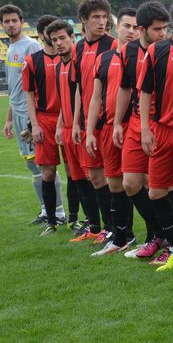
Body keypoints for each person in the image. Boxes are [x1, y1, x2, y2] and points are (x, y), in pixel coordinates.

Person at [137, 2, 173, 272]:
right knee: (157, 190)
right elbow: (145, 92)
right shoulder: (156, 50)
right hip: (161, 131)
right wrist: (146, 129)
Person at [117, 2, 170, 260]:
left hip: (162, 124)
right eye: (157, 29)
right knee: (130, 183)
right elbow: (125, 88)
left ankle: (169, 238)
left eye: (164, 28)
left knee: (161, 185)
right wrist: (118, 122)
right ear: (141, 30)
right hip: (137, 123)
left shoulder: (170, 51)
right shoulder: (126, 52)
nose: (162, 34)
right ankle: (159, 233)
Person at [85, 9, 140, 256]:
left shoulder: (143, 55)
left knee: (142, 184)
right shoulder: (104, 58)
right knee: (115, 185)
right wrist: (89, 132)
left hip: (134, 126)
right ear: (116, 27)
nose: (131, 31)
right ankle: (122, 236)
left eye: (136, 27)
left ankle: (157, 237)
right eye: (127, 26)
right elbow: (96, 97)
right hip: (108, 128)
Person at [48, 19, 103, 238]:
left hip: (81, 128)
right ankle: (92, 225)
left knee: (92, 177)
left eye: (62, 38)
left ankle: (102, 226)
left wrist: (79, 125)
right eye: (54, 40)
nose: (59, 43)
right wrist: (61, 124)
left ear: (73, 38)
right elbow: (64, 100)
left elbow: (83, 95)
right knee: (77, 178)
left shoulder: (79, 63)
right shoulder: (59, 66)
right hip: (69, 128)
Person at [72, 0, 118, 243]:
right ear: (84, 20)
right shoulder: (77, 48)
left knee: (115, 179)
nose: (101, 22)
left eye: (104, 17)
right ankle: (107, 228)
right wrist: (77, 122)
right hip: (88, 124)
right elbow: (79, 87)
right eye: (95, 17)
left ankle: (119, 230)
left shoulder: (113, 46)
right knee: (97, 178)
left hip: (107, 122)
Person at [0, 4, 49, 224]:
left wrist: (33, 118)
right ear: (1, 25)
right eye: (6, 21)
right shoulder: (10, 49)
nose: (11, 24)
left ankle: (55, 211)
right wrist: (9, 118)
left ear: (22, 21)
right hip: (17, 112)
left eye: (14, 20)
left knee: (42, 163)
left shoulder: (31, 46)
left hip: (30, 113)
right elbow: (14, 88)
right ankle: (45, 209)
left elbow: (38, 83)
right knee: (31, 163)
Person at [22, 17, 63, 236]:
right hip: (45, 120)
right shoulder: (31, 61)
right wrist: (34, 125)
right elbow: (28, 95)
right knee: (47, 172)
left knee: (79, 173)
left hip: (68, 119)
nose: (53, 36)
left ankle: (77, 219)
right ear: (42, 34)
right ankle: (51, 221)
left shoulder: (70, 57)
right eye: (49, 32)